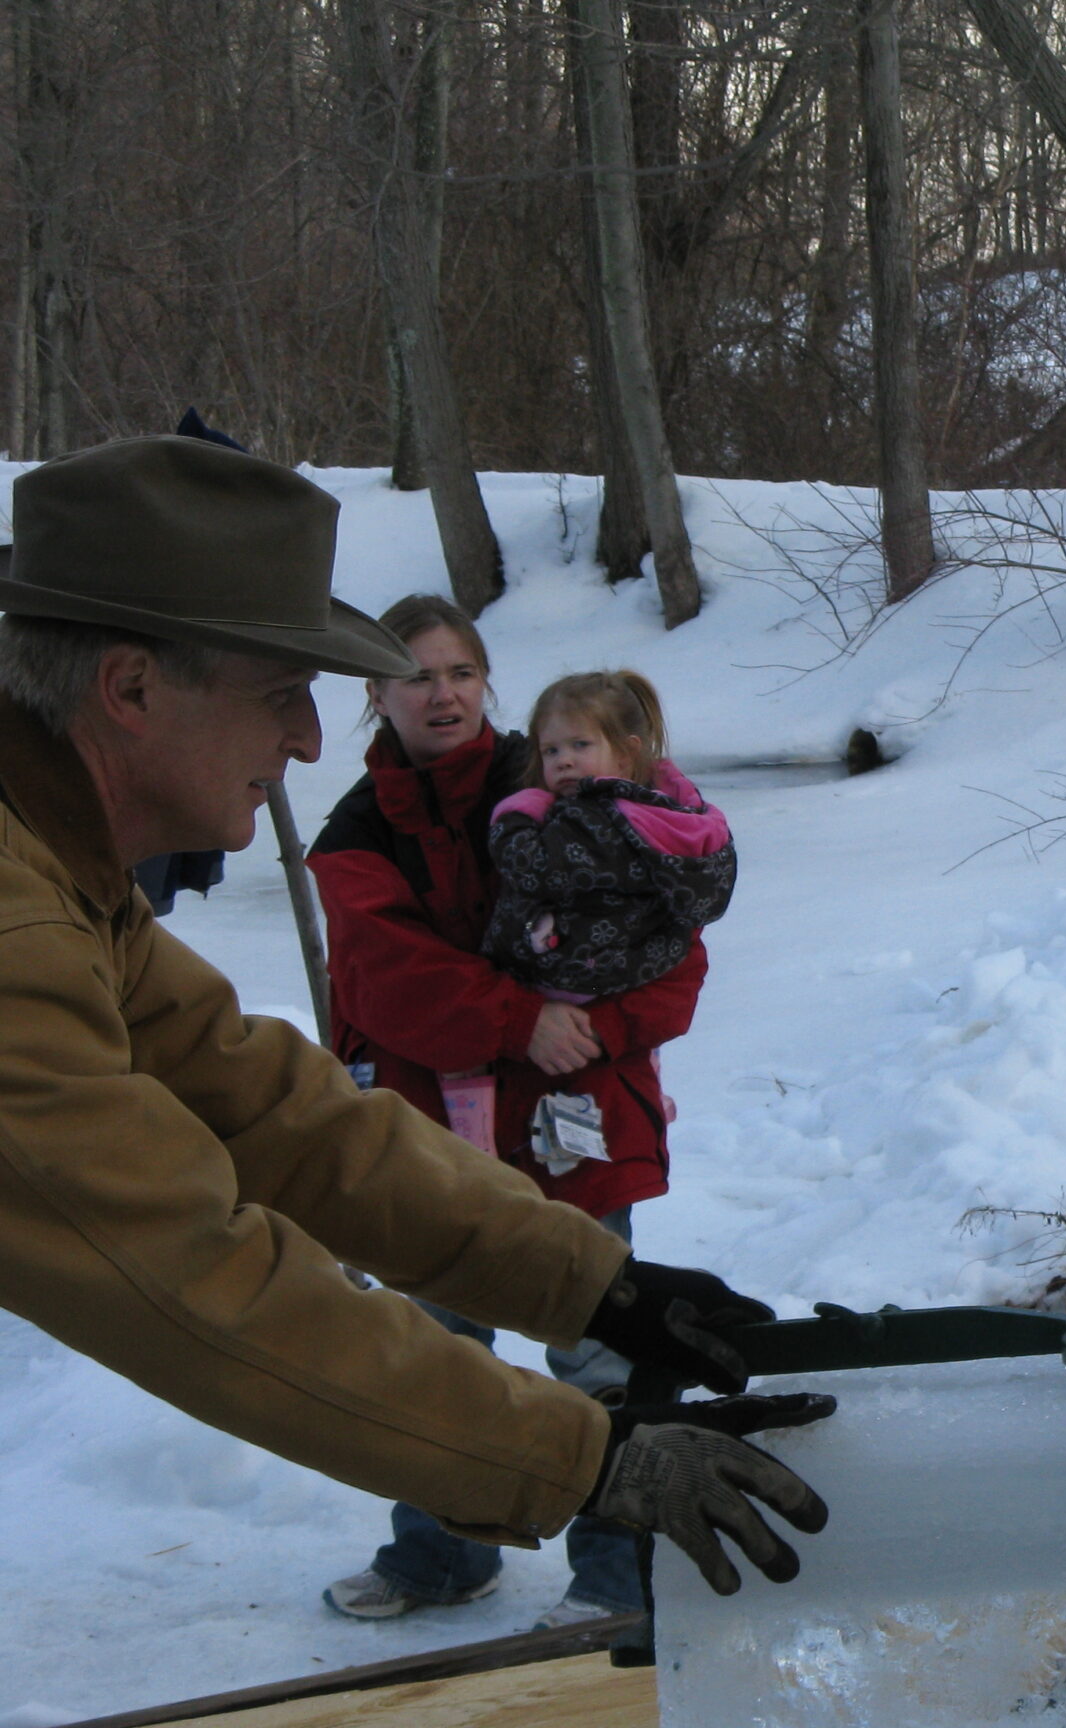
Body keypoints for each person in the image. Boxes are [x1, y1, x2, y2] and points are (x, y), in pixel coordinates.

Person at [0, 434, 831, 1616]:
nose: (301, 739)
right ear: (131, 690)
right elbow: (184, 1274)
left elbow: (276, 1113)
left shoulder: (62, 876)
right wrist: (586, 1459)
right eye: (283, 693)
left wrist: (594, 1288)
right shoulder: (16, 931)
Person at [307, 612, 719, 1629]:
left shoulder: (567, 790)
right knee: (433, 1345)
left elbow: (672, 957)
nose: (440, 695)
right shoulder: (356, 834)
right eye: (414, 678)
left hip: (574, 1128)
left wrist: (585, 1030)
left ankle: (620, 1577)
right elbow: (383, 978)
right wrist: (519, 1019)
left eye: (461, 673)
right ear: (377, 695)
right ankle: (442, 1552)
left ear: (488, 685)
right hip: (431, 1133)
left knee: (598, 1348)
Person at [485, 670, 736, 1002]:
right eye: (551, 751)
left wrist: (516, 815)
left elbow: (534, 868)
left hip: (573, 979)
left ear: (625, 754)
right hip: (626, 975)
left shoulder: (598, 817)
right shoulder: (657, 812)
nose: (564, 761)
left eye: (580, 745)